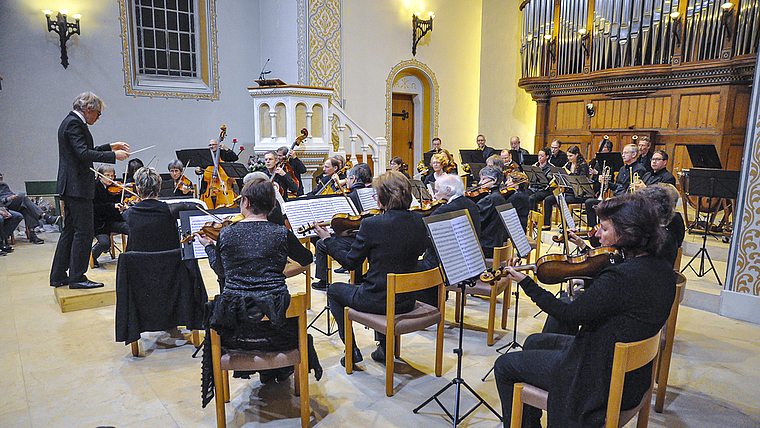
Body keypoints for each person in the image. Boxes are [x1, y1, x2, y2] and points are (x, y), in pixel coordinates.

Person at [494, 193, 675, 428]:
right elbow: (621, 301)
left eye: (604, 229)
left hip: (601, 380)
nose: (597, 234)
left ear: (627, 233)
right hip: (633, 377)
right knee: (534, 342)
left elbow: (569, 314)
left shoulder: (619, 277)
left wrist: (527, 284)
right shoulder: (661, 269)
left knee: (505, 366)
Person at [199, 178, 319, 383]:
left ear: (245, 202)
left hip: (237, 334)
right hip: (278, 333)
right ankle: (278, 369)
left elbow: (221, 271)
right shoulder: (281, 233)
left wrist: (209, 247)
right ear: (272, 206)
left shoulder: (227, 233)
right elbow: (307, 258)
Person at [315, 171, 429, 365]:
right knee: (381, 278)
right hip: (406, 299)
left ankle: (352, 351)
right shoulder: (419, 221)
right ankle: (384, 348)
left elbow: (350, 263)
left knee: (334, 290)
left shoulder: (372, 224)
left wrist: (328, 241)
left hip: (379, 301)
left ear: (383, 198)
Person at [50, 92, 130, 290]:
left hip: (72, 186)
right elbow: (83, 153)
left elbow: (85, 149)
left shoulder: (70, 122)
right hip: (77, 188)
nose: (98, 117)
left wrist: (111, 146)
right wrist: (113, 155)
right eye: (98, 113)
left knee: (69, 231)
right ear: (89, 109)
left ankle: (59, 275)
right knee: (84, 232)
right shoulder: (74, 124)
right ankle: (77, 277)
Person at [311, 164, 374, 290]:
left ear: (354, 179)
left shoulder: (348, 197)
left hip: (356, 238)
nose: (346, 183)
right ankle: (358, 278)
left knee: (321, 243)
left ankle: (324, 280)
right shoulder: (372, 194)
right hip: (371, 235)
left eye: (348, 179)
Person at [585, 144, 647, 229]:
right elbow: (616, 186)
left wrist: (614, 199)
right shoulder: (622, 169)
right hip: (615, 198)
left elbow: (631, 190)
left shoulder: (639, 169)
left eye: (626, 153)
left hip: (625, 201)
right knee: (589, 202)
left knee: (606, 207)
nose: (623, 155)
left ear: (634, 154)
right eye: (623, 153)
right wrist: (606, 182)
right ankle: (594, 230)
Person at [123, 167, 180, 252]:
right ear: (160, 187)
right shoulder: (171, 210)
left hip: (139, 263)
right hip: (168, 262)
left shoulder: (129, 214)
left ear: (138, 190)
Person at [0, 173, 60, 244]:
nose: (0, 176)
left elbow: (9, 193)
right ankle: (46, 216)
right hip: (4, 206)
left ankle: (32, 235)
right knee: (24, 199)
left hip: (12, 202)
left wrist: (14, 196)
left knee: (26, 208)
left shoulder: (3, 185)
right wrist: (7, 199)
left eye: (1, 175)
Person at [542, 145, 590, 228]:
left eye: (571, 156)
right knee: (548, 199)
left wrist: (569, 173)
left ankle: (567, 224)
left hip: (579, 193)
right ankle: (546, 224)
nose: (569, 158)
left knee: (563, 200)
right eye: (568, 156)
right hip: (568, 192)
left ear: (577, 154)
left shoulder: (583, 165)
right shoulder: (568, 165)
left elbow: (580, 180)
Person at [91, 165, 129, 267]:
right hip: (100, 224)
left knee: (132, 229)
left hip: (113, 221)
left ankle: (129, 256)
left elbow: (120, 201)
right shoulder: (94, 188)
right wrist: (113, 206)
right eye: (107, 175)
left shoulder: (116, 188)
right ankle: (93, 256)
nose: (111, 178)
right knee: (104, 243)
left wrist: (122, 206)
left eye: (112, 176)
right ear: (100, 176)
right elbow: (96, 207)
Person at [476, 166, 508, 258]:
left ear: (494, 180)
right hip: (495, 242)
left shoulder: (491, 199)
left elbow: (477, 219)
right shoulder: (499, 196)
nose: (480, 182)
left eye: (483, 179)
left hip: (487, 245)